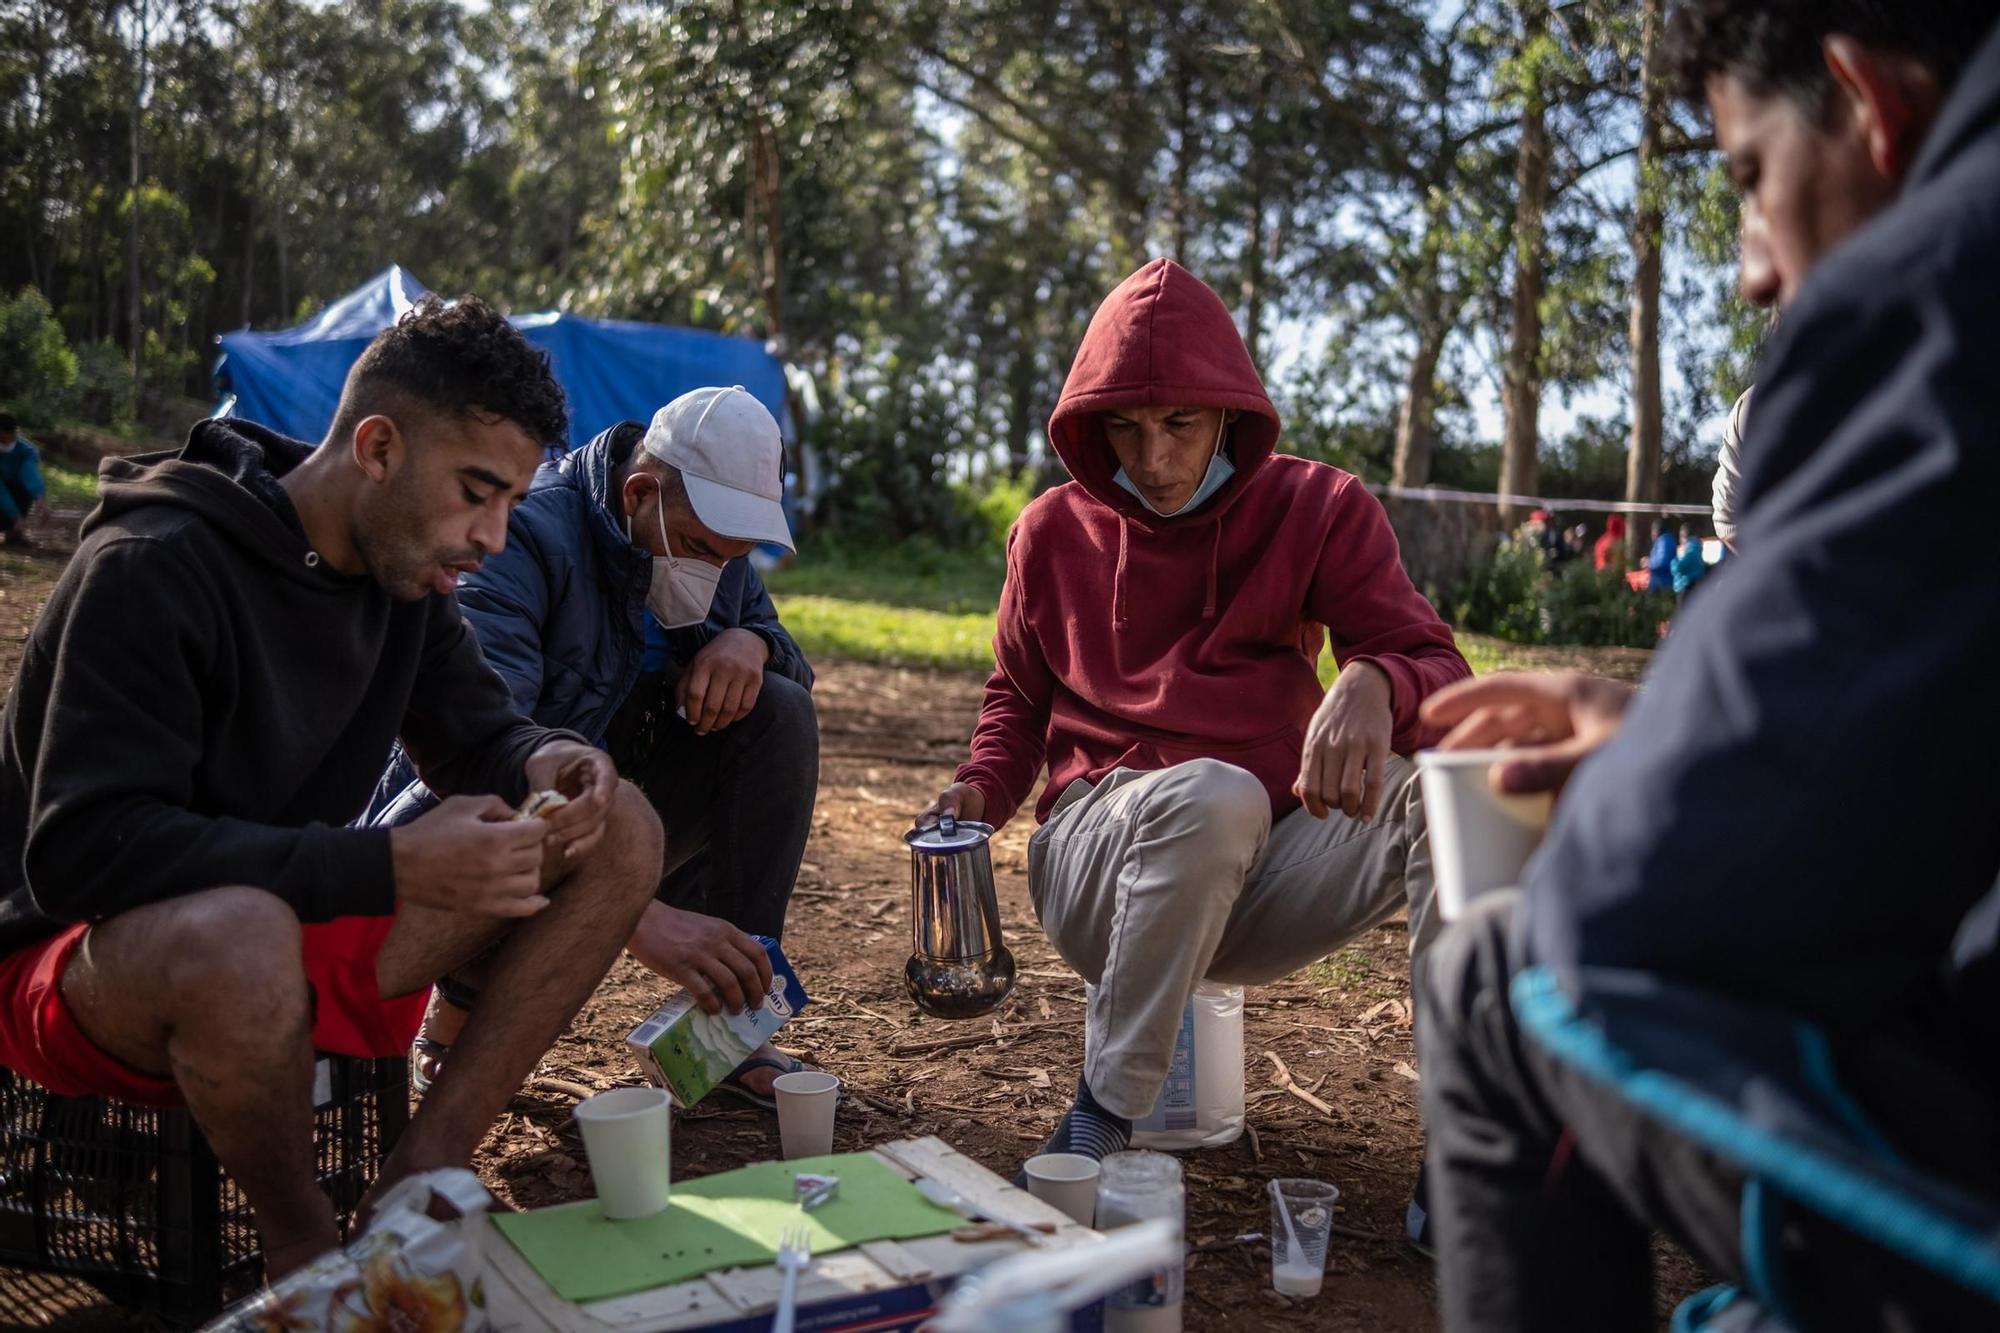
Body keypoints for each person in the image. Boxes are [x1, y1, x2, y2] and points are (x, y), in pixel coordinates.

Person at [1410, 3, 2000, 1327]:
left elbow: (1638, 900)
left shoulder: (1941, 291)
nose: (1748, 270)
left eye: (1746, 179)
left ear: (1869, 101)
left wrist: (1679, 766)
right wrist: (1675, 722)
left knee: (1500, 980)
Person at [0, 296, 665, 1278]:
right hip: (81, 959)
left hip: (274, 923)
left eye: (512, 505)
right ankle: (304, 1254)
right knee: (236, 935)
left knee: (622, 826)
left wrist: (544, 758)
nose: (490, 536)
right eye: (476, 491)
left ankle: (416, 1180)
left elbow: (483, 732)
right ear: (379, 447)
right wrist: (386, 863)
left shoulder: (401, 572)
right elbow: (82, 854)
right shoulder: (152, 565)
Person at [918, 259, 1470, 1170]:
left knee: (1452, 797)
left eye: (1179, 423)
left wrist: (1374, 678)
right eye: (1125, 429)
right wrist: (980, 789)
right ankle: (1104, 1109)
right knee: (1214, 796)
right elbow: (1017, 694)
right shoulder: (1050, 533)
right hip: (1104, 851)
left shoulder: (1319, 507)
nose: (1154, 459)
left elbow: (1440, 667)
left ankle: (1467, 1154)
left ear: (1229, 413)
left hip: (1272, 862)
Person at [371, 387, 821, 1106]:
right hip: (480, 818)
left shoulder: (716, 550)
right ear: (640, 492)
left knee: (779, 710)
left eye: (736, 557)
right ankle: (453, 1024)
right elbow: (482, 756)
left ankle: (733, 1026)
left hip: (626, 800)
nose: (717, 572)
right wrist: (633, 913)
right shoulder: (528, 538)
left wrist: (754, 643)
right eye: (704, 550)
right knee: (543, 782)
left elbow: (787, 658)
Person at [0, 412, 48, 547]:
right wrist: (14, 514)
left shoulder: (26, 450)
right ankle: (14, 523)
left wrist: (40, 498)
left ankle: (13, 532)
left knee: (24, 489)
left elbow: (30, 474)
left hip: (13, 491)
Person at [1670, 523, 1709, 605]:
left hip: (1686, 587)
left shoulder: (1690, 550)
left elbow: (1679, 568)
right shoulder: (1696, 548)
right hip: (1693, 585)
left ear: (1683, 536)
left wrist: (1675, 561)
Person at [1645, 520, 1677, 591]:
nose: (1652, 534)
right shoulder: (1663, 541)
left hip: (1663, 582)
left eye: (1653, 530)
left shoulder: (1664, 541)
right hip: (1662, 581)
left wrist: (1648, 562)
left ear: (1657, 530)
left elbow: (1662, 561)